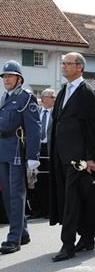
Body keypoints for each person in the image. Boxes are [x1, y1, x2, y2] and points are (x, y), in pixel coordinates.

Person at [49, 52, 95, 262]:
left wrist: (90, 158)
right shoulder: (63, 92)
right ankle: (87, 237)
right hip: (62, 155)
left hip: (79, 160)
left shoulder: (87, 93)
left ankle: (67, 244)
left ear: (79, 67)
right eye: (62, 63)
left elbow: (94, 131)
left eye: (67, 64)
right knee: (78, 198)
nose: (63, 67)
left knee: (72, 200)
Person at [0, 60, 40, 254]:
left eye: (10, 76)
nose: (6, 79)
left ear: (19, 78)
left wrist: (33, 156)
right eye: (4, 76)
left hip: (16, 149)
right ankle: (22, 233)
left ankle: (13, 238)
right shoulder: (3, 98)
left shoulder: (26, 98)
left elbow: (34, 128)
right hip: (2, 150)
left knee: (16, 194)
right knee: (7, 194)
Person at [27, 88, 56, 219]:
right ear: (44, 99)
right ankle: (38, 209)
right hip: (37, 149)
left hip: (51, 149)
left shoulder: (57, 114)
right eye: (52, 97)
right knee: (37, 181)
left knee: (50, 180)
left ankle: (51, 209)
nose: (54, 99)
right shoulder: (35, 112)